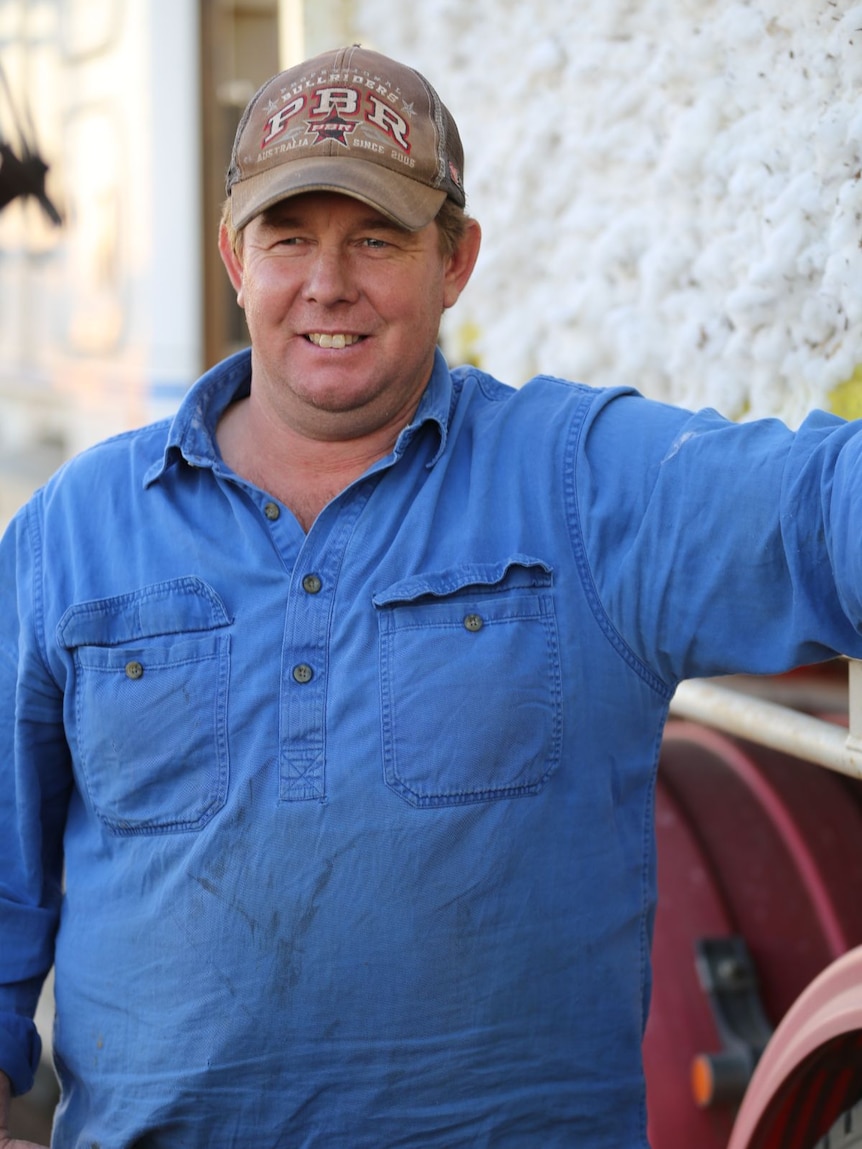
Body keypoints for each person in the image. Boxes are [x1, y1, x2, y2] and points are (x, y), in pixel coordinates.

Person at [1, 43, 862, 1149]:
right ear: (233, 255)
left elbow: (814, 509)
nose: (328, 284)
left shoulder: (580, 485)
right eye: (289, 238)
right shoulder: (73, 534)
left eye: (375, 237)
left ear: (455, 259)